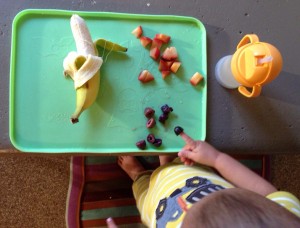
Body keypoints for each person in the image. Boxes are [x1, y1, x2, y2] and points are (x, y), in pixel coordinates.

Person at [108, 131, 300, 228]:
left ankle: (138, 174)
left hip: (153, 202)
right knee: (183, 163)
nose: (186, 207)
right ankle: (166, 162)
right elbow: (268, 193)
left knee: (142, 190)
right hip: (196, 175)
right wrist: (217, 159)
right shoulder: (285, 216)